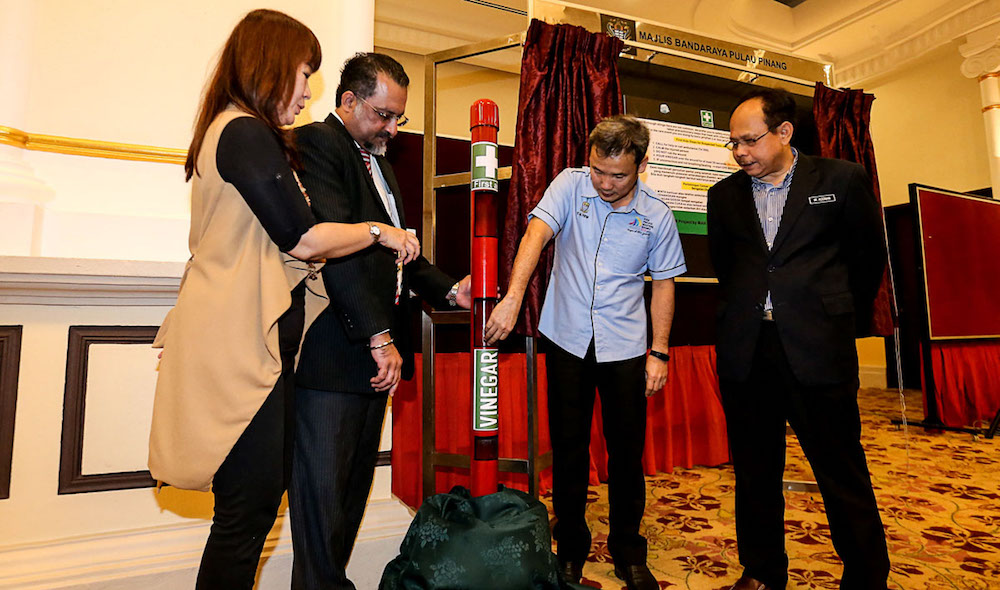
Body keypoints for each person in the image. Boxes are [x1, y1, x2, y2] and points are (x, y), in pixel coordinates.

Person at [147, 12, 419, 590]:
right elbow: (303, 236)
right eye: (302, 73)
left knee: (248, 511)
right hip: (236, 349)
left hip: (253, 348)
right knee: (246, 515)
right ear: (271, 66)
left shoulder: (242, 131)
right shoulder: (242, 131)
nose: (305, 92)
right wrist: (378, 231)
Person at [288, 52, 471, 589]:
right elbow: (336, 247)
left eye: (399, 117)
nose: (392, 127)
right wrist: (379, 334)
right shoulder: (319, 144)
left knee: (348, 496)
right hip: (336, 353)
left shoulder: (378, 160)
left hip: (372, 354)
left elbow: (399, 255)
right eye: (382, 114)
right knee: (321, 501)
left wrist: (449, 289)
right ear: (347, 101)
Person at [485, 115, 686, 590]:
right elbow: (535, 234)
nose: (605, 183)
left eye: (618, 175)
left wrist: (659, 352)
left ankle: (628, 551)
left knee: (625, 454)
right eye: (598, 170)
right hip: (567, 339)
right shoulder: (571, 186)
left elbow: (664, 285)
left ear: (641, 163)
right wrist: (513, 297)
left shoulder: (657, 214)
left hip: (626, 348)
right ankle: (571, 547)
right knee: (570, 451)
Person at [706, 87, 889, 590]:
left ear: (784, 132)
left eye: (749, 140)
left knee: (840, 470)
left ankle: (866, 576)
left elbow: (866, 260)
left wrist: (826, 317)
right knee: (755, 471)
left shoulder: (841, 179)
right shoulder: (722, 196)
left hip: (818, 349)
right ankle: (763, 572)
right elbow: (728, 268)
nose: (740, 152)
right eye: (733, 143)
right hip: (749, 351)